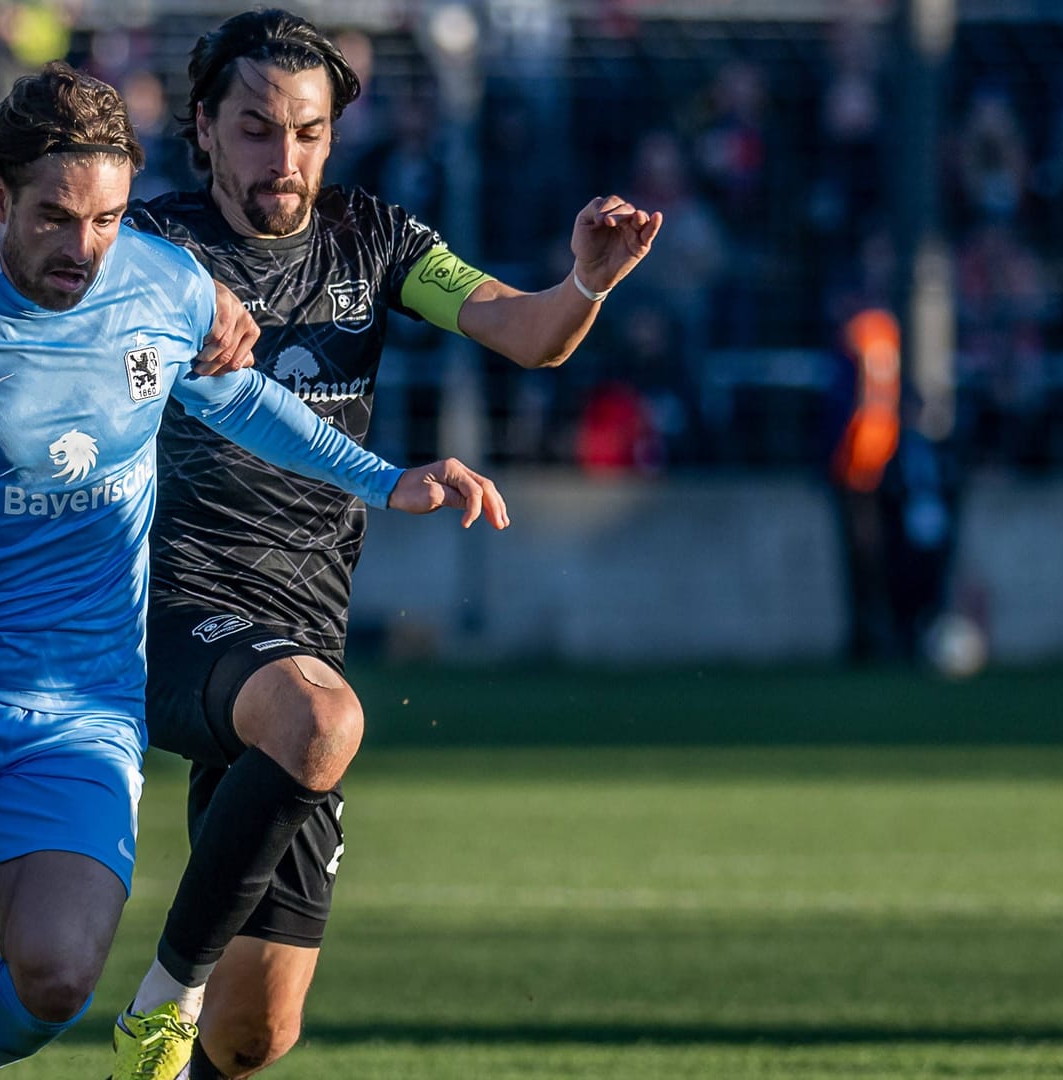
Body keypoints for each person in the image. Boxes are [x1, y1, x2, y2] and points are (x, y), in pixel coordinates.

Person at [0, 61, 507, 1080]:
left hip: (82, 702)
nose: (85, 249)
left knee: (54, 982)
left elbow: (247, 402)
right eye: (55, 218)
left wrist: (385, 478)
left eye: (108, 219)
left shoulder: (165, 286)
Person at [108, 12, 662, 1080]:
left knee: (256, 1034)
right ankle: (155, 1006)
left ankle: (171, 1036)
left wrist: (586, 282)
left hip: (304, 631)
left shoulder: (379, 242)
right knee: (319, 721)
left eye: (308, 133)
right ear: (205, 130)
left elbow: (527, 329)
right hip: (170, 612)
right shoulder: (151, 252)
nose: (286, 158)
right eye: (259, 130)